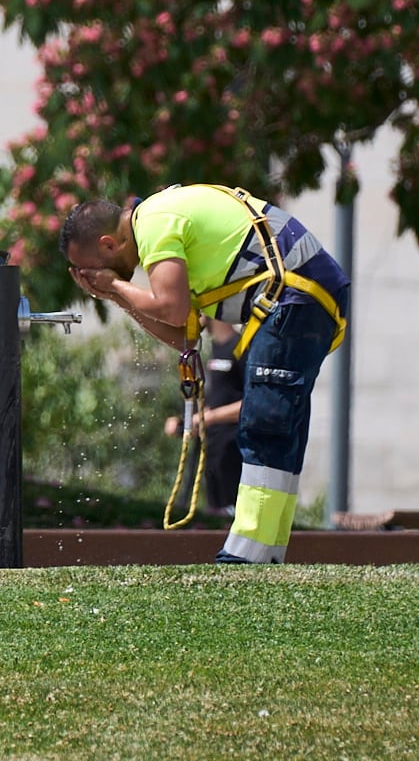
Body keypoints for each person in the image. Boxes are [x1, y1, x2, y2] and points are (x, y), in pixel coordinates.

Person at [59, 183, 348, 564]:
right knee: (280, 423)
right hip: (301, 295)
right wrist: (117, 294)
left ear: (110, 243)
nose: (90, 276)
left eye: (90, 267)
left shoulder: (155, 222)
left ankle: (245, 553)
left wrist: (115, 285)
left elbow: (170, 308)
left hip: (294, 294)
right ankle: (269, 551)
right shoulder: (159, 226)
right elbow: (182, 333)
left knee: (264, 423)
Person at [164, 317, 245, 519]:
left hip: (232, 444)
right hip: (209, 444)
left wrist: (210, 418)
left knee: (231, 509)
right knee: (211, 507)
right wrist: (186, 420)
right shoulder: (207, 350)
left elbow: (253, 403)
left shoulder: (241, 347)